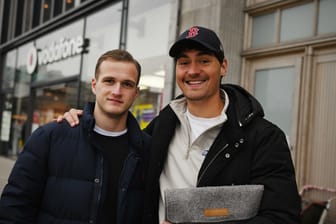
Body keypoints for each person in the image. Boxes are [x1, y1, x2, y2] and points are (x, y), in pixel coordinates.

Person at [57, 26, 302, 224]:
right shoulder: (159, 128)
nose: (193, 71)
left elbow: (282, 216)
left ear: (223, 66)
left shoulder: (264, 137)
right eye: (184, 62)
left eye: (204, 60)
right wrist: (85, 119)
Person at [0, 49, 151, 224]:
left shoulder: (147, 149)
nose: (117, 91)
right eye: (109, 81)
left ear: (136, 92)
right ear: (94, 85)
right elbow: (14, 209)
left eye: (127, 84)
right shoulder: (49, 137)